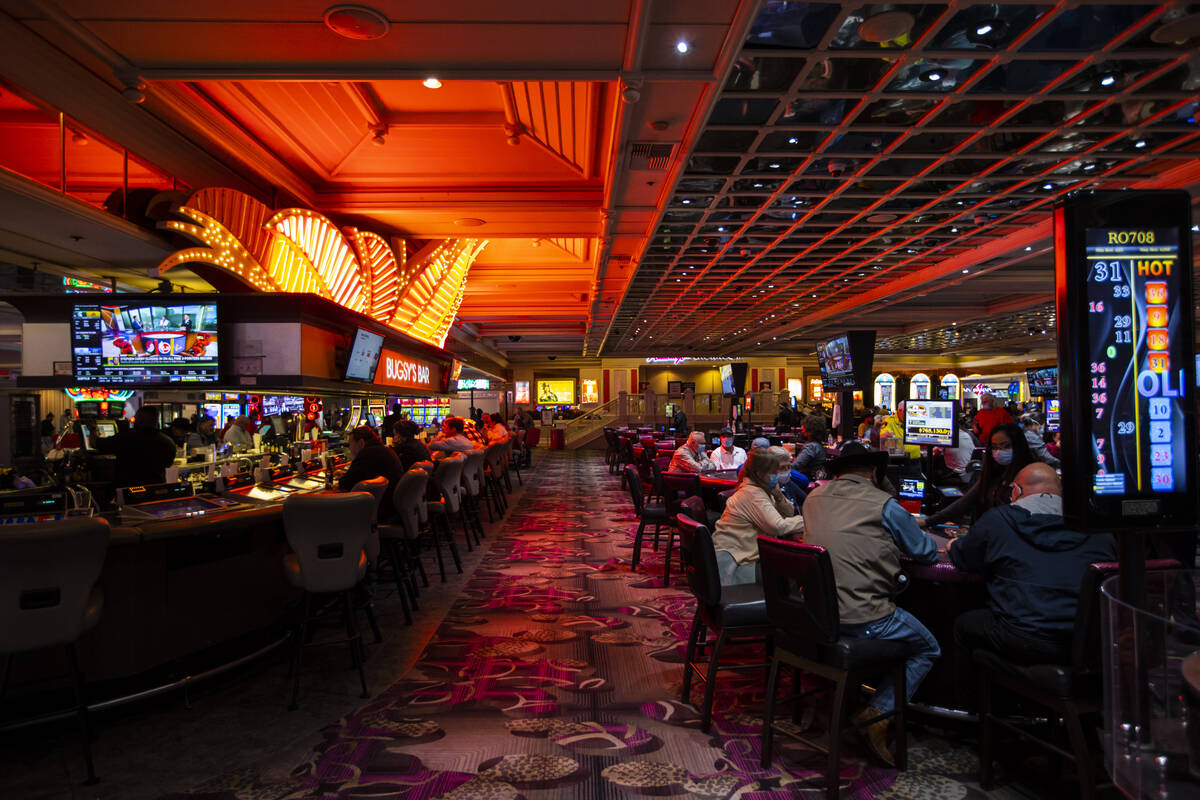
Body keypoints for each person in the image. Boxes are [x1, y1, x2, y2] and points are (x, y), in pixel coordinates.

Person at [802, 442, 940, 766]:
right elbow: (926, 553)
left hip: (815, 616)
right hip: (862, 619)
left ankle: (856, 697)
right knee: (928, 648)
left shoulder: (812, 498)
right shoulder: (884, 504)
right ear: (876, 472)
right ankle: (877, 713)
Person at [949, 463, 1116, 670]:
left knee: (963, 625)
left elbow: (964, 558)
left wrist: (954, 544)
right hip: (1086, 643)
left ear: (1016, 491)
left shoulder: (998, 519)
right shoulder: (1098, 527)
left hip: (1021, 636)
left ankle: (969, 702)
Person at [712, 446, 804, 585]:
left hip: (747, 553)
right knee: (794, 574)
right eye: (774, 472)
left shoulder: (764, 488)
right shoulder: (752, 493)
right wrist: (809, 520)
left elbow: (788, 513)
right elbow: (778, 527)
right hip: (734, 562)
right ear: (760, 473)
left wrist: (778, 496)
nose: (777, 475)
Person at [923, 423, 1034, 526]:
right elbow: (964, 503)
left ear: (1018, 446)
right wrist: (927, 521)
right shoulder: (992, 473)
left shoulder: (1032, 475)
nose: (999, 452)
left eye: (1006, 446)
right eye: (995, 447)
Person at [98, 406, 178, 488]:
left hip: (129, 489)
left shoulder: (126, 438)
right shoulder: (168, 442)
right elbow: (168, 464)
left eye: (136, 418)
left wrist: (92, 428)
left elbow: (96, 444)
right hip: (156, 488)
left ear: (141, 419)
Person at [339, 425, 404, 523]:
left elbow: (345, 484)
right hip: (392, 508)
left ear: (361, 443)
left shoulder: (366, 454)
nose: (350, 448)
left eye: (350, 444)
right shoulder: (383, 450)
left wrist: (341, 477)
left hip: (380, 512)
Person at [790, 414, 828, 481]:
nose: (802, 429)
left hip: (809, 479)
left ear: (809, 430)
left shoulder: (811, 446)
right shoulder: (818, 445)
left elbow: (796, 465)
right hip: (817, 477)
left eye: (803, 427)